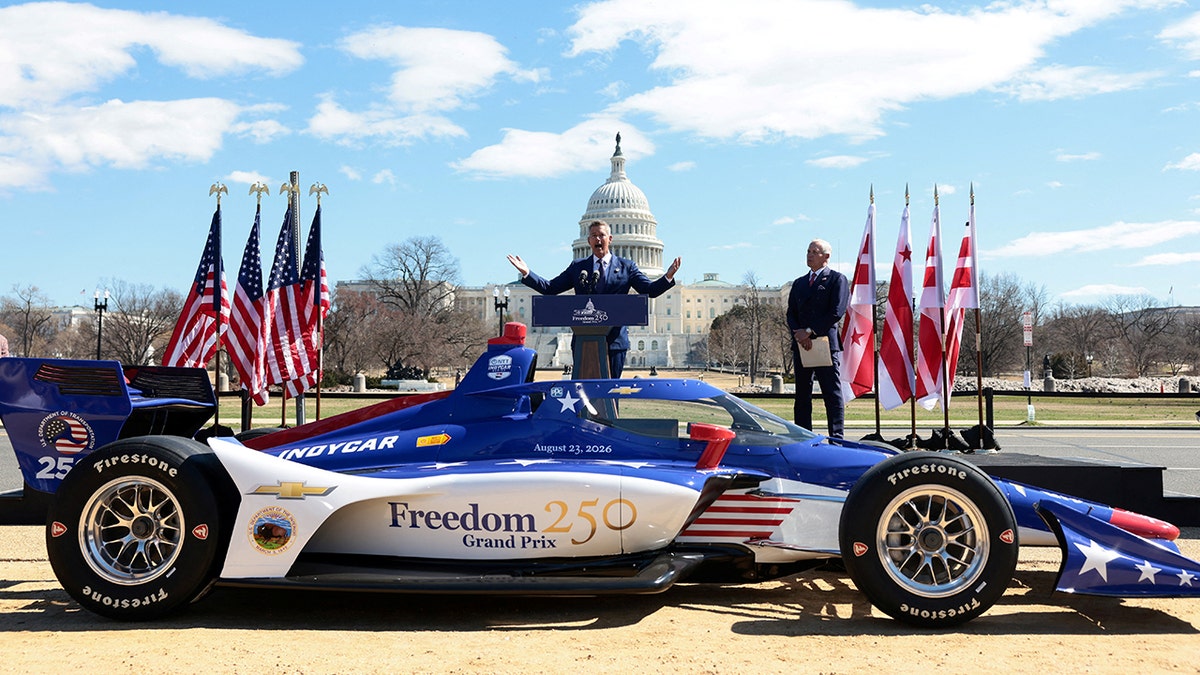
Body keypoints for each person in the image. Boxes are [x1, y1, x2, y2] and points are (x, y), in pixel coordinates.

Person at [507, 220, 681, 378]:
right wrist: (527, 273)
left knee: (611, 394)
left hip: (615, 342)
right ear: (588, 241)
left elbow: (649, 290)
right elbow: (550, 288)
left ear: (610, 238)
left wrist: (667, 277)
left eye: (601, 235)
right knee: (584, 392)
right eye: (594, 236)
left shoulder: (627, 267)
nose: (598, 239)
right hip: (585, 340)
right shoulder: (578, 268)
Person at [786, 238, 850, 437]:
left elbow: (836, 312)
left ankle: (837, 439)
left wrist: (810, 331)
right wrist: (799, 334)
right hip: (802, 346)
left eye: (815, 251)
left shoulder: (836, 279)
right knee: (802, 396)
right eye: (808, 251)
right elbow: (791, 313)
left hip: (824, 345)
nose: (810, 255)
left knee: (831, 393)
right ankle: (804, 437)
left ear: (826, 256)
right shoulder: (799, 283)